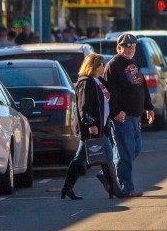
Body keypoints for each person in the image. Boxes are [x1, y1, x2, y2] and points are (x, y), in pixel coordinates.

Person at [62, 54, 122, 200]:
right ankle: (113, 188)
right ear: (94, 67)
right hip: (92, 128)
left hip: (101, 126)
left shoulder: (98, 81)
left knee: (80, 159)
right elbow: (84, 107)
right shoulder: (86, 83)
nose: (104, 66)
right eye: (102, 64)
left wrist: (113, 114)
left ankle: (67, 188)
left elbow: (105, 102)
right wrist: (91, 124)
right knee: (107, 156)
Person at [103, 34, 154, 197]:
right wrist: (115, 112)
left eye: (133, 46)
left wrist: (148, 106)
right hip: (122, 117)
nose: (130, 49)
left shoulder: (134, 63)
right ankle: (127, 188)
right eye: (126, 46)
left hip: (136, 115)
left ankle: (108, 176)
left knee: (136, 149)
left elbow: (142, 85)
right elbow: (108, 93)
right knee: (125, 152)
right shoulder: (113, 65)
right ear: (119, 48)